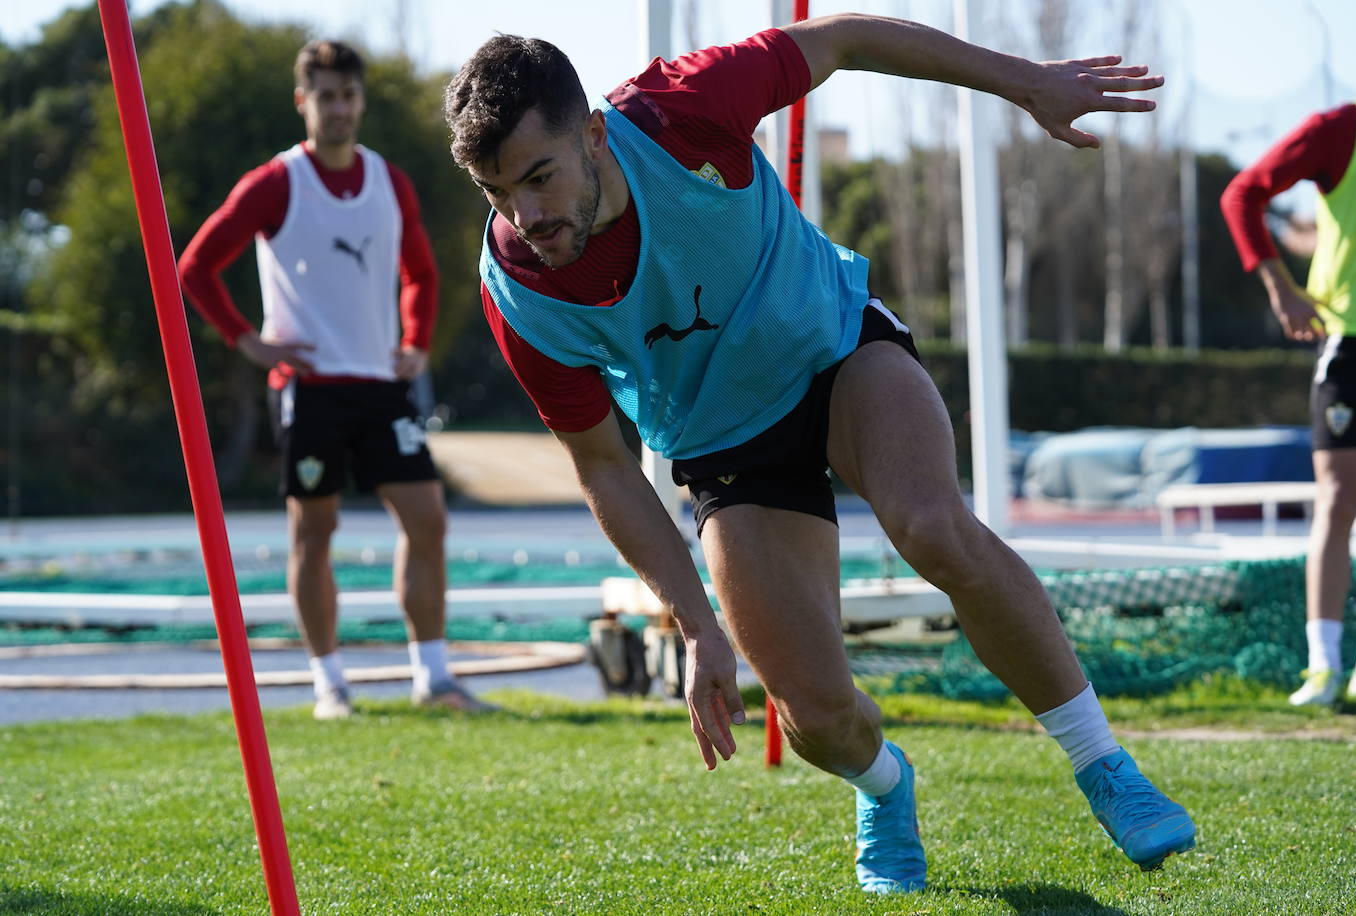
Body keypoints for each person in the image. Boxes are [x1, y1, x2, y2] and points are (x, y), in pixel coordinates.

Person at [444, 14, 1195, 893]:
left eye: (540, 177)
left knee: (933, 527)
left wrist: (1023, 82)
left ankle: (1103, 765)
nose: (527, 215)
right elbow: (604, 466)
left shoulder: (683, 107)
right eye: (498, 192)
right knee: (816, 719)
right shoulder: (518, 294)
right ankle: (885, 785)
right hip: (724, 445)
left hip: (835, 350)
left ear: (595, 135)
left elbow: (842, 39)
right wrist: (694, 624)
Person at [179, 40, 490, 720]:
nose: (339, 108)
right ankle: (330, 686)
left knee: (428, 521)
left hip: (380, 384)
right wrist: (247, 341)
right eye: (325, 96)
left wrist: (416, 342)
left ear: (361, 100)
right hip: (309, 388)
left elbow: (421, 272)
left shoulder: (389, 181)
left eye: (348, 95)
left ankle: (433, 678)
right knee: (313, 533)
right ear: (303, 101)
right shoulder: (276, 183)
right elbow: (195, 267)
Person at [1222, 90, 1356, 708]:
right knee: (1337, 499)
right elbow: (1243, 194)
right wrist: (1280, 287)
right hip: (1350, 343)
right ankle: (1323, 667)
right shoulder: (1342, 128)